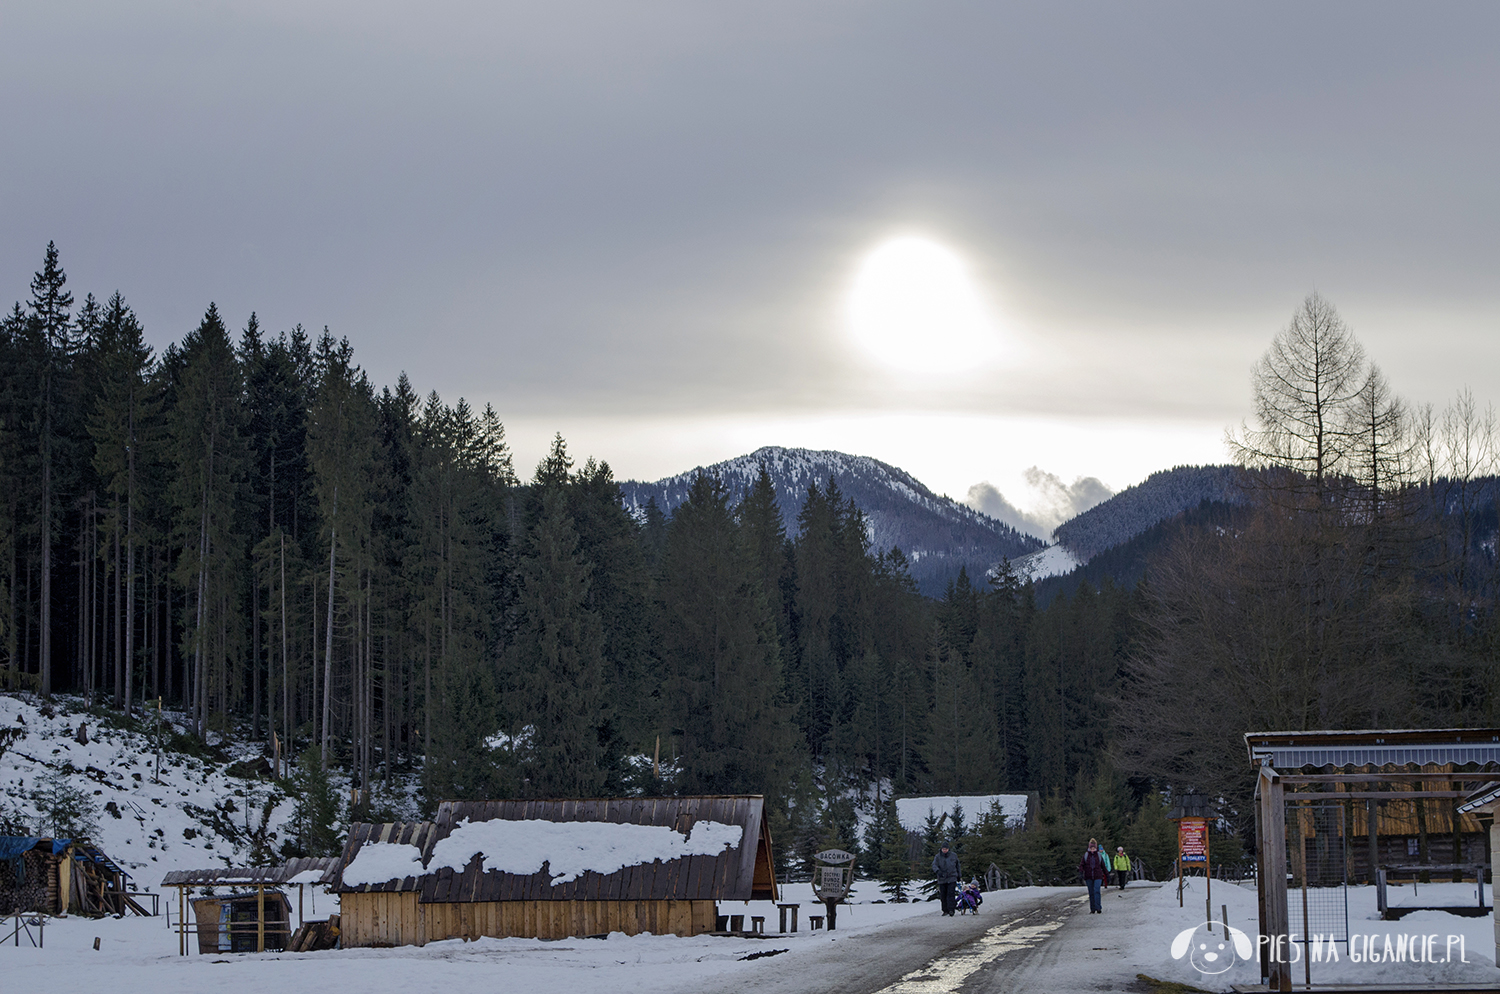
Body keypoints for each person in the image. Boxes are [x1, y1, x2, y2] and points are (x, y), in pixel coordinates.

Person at [1078, 838, 1109, 913]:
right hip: (1088, 876)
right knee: (1091, 892)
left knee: (1097, 891)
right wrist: (1081, 872)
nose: (1092, 849)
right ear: (1089, 848)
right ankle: (1092, 908)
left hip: (1097, 876)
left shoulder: (1098, 855)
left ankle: (1098, 907)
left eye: (1093, 848)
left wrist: (1107, 874)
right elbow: (1082, 865)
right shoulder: (1086, 855)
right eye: (1091, 848)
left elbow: (1103, 866)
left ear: (1096, 848)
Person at [932, 842, 961, 917]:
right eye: (943, 849)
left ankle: (951, 910)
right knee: (943, 895)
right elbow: (934, 865)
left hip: (952, 877)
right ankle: (945, 910)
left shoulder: (953, 856)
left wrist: (959, 875)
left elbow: (958, 865)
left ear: (948, 849)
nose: (944, 850)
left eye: (946, 849)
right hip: (942, 878)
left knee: (951, 894)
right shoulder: (938, 857)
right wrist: (938, 871)